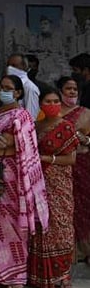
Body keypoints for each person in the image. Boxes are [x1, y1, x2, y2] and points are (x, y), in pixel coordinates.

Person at [0, 75, 46, 288]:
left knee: (13, 223)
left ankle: (16, 276)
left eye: (8, 88)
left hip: (13, 175)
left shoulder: (22, 115)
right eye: (1, 87)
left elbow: (11, 142)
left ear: (17, 93)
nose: (3, 91)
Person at [28, 87, 77, 288]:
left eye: (56, 101)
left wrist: (48, 159)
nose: (52, 105)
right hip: (37, 182)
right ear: (41, 105)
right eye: (48, 101)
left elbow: (71, 159)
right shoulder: (34, 126)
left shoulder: (66, 127)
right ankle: (41, 275)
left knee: (61, 225)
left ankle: (64, 275)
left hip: (59, 183)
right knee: (40, 225)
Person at [58, 76, 90, 264]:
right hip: (60, 165)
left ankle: (85, 249)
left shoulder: (86, 113)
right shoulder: (51, 112)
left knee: (84, 206)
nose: (72, 92)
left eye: (75, 90)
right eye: (68, 89)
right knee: (66, 206)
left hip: (83, 164)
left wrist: (86, 140)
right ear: (61, 90)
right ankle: (68, 250)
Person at [6, 54, 40, 119]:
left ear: (24, 67)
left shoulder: (29, 87)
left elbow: (31, 116)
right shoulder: (8, 86)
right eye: (8, 65)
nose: (9, 68)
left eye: (14, 66)